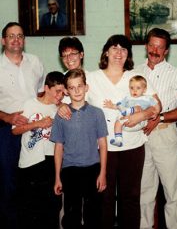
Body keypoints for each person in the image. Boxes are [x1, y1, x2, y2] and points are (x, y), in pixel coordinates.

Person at [58, 35, 160, 229]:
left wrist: (142, 114)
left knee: (129, 198)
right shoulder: (93, 78)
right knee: (103, 199)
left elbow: (157, 105)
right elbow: (72, 97)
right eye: (114, 48)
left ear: (128, 54)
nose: (119, 53)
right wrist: (60, 107)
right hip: (101, 149)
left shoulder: (136, 77)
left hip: (133, 147)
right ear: (106, 51)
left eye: (123, 49)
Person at [137, 28, 177, 229]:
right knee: (144, 190)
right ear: (146, 46)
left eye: (160, 47)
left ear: (166, 50)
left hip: (164, 134)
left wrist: (158, 117)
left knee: (172, 190)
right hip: (141, 137)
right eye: (151, 45)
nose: (154, 50)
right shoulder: (136, 72)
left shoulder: (175, 73)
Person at [0, 22, 45, 229]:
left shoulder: (35, 62)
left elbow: (41, 93)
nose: (16, 39)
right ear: (3, 41)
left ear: (24, 40)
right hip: (6, 131)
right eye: (11, 36)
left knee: (33, 182)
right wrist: (8, 117)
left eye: (20, 35)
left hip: (34, 130)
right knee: (9, 183)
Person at [51, 69, 108, 229]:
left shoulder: (97, 113)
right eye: (72, 87)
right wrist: (57, 176)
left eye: (80, 86)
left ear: (86, 87)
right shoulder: (61, 115)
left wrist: (103, 173)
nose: (76, 90)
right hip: (70, 170)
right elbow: (58, 147)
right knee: (71, 214)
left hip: (93, 168)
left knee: (94, 213)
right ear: (67, 91)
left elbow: (103, 145)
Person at [12, 71, 65, 229]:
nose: (60, 95)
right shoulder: (30, 103)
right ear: (47, 88)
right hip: (29, 162)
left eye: (63, 92)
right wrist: (37, 124)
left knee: (51, 210)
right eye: (57, 91)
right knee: (28, 210)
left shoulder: (60, 110)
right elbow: (15, 130)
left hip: (50, 161)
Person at [104, 75, 159, 147]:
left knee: (137, 108)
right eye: (132, 88)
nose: (134, 90)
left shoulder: (147, 98)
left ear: (144, 89)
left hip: (140, 122)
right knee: (117, 122)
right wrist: (111, 106)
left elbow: (156, 106)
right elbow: (119, 106)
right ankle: (118, 140)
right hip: (126, 122)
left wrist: (156, 113)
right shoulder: (127, 98)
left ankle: (127, 111)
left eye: (138, 88)